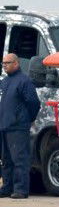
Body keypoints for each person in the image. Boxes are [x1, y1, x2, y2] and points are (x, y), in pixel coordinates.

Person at [0, 53, 41, 199]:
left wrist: (26, 118)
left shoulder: (24, 81)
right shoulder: (4, 82)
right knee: (6, 160)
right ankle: (6, 188)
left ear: (16, 63)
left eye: (8, 62)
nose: (4, 65)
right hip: (4, 126)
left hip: (18, 127)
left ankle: (21, 189)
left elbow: (34, 102)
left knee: (20, 159)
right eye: (3, 63)